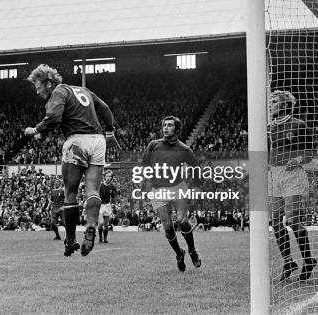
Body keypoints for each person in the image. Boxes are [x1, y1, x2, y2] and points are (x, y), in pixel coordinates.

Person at [24, 64, 119, 257]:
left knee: (71, 193)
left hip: (76, 141)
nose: (37, 90)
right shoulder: (83, 90)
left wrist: (35, 130)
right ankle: (91, 225)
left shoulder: (58, 92)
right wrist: (109, 132)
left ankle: (70, 240)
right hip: (98, 141)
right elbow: (106, 109)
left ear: (49, 83)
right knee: (93, 189)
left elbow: (53, 118)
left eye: (38, 85)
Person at [142, 116, 202, 272]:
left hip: (178, 188)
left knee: (183, 222)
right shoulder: (153, 145)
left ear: (177, 129)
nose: (165, 128)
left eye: (169, 125)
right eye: (164, 125)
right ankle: (179, 254)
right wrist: (147, 182)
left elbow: (195, 167)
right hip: (158, 191)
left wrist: (197, 186)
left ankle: (192, 251)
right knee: (168, 228)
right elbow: (145, 165)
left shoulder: (184, 149)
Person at [268, 90, 317, 281]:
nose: (271, 104)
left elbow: (310, 153)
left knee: (292, 221)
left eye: (274, 101)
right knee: (275, 221)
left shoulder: (299, 125)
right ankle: (288, 261)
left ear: (285, 105)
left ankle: (308, 259)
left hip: (292, 175)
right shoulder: (269, 127)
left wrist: (297, 159)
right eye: (270, 101)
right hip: (274, 175)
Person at [98, 170, 119, 243]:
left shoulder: (112, 186)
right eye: (107, 176)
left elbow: (114, 196)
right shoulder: (100, 186)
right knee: (100, 223)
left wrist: (113, 194)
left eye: (110, 176)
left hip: (107, 205)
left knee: (106, 224)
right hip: (100, 205)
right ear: (104, 177)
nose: (108, 177)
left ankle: (105, 239)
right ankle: (100, 237)